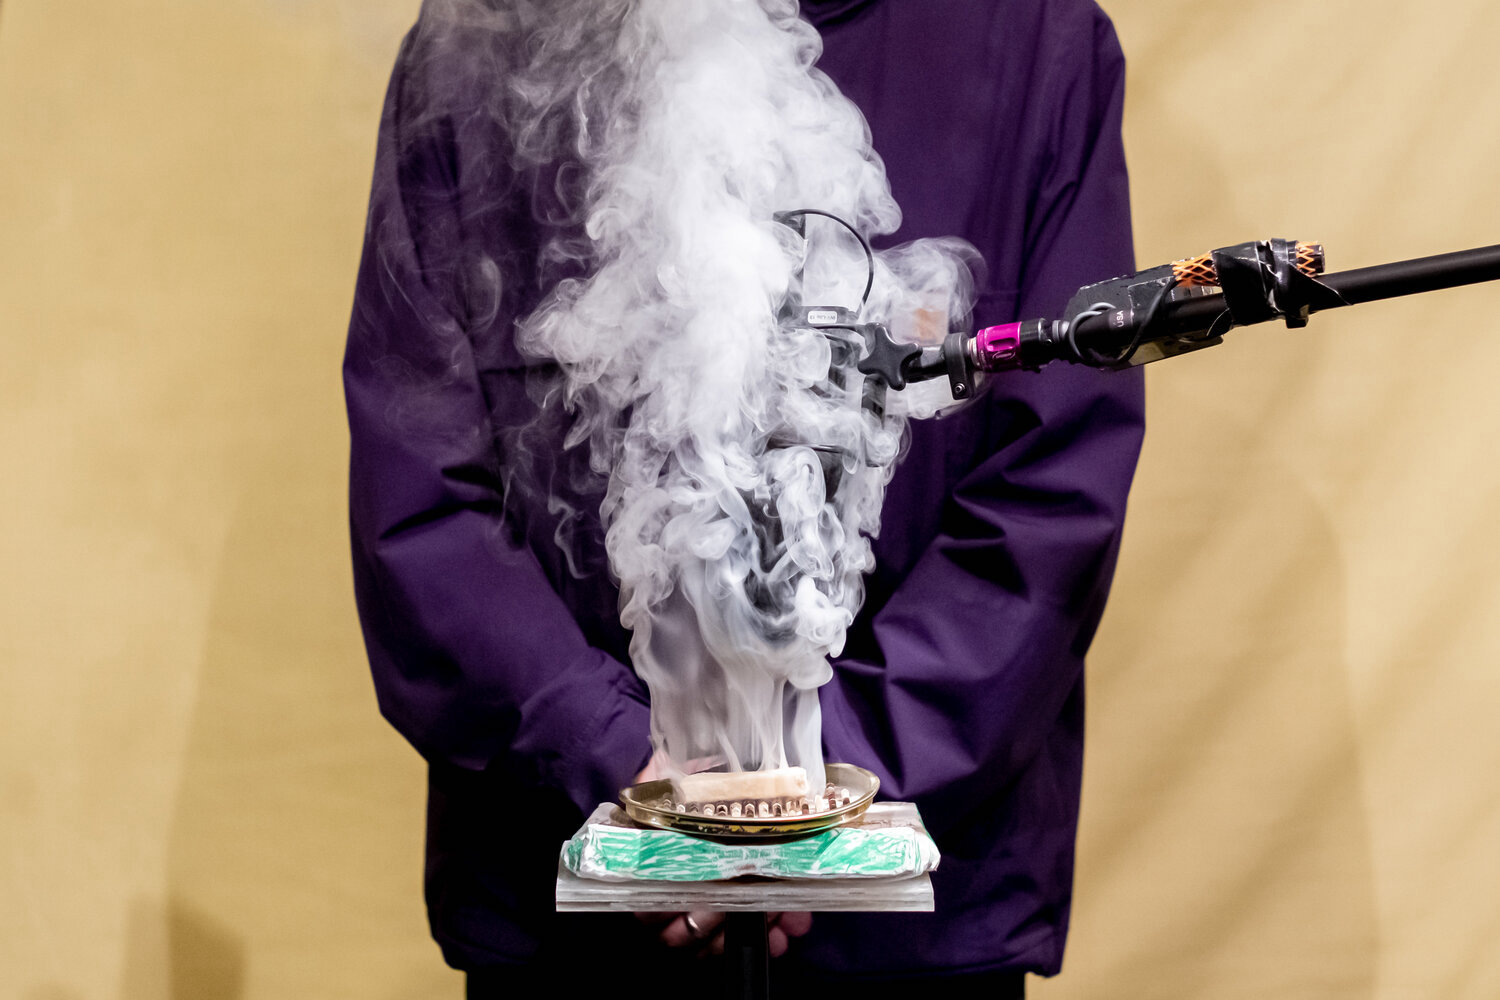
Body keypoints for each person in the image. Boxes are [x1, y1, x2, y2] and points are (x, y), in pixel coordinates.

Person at [343, 0, 1143, 996]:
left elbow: (1053, 490)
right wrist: (613, 760)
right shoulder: (482, 41)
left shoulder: (1035, 40)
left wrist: (822, 791)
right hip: (576, 901)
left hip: (908, 925)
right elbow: (420, 490)